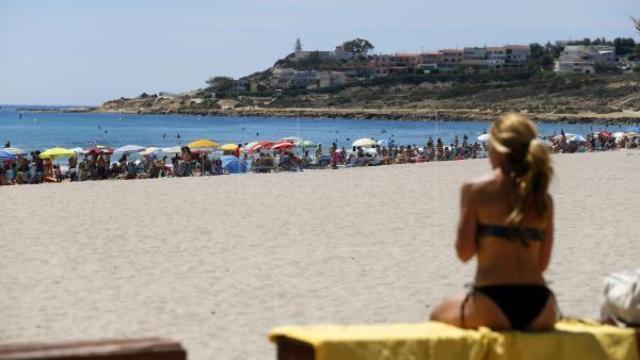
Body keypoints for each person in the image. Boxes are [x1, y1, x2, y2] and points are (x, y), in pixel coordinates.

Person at [430, 114, 557, 331]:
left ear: (497, 148)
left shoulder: (475, 190)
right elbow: (542, 265)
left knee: (436, 316)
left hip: (491, 302)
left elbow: (464, 253)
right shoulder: (543, 198)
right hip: (541, 304)